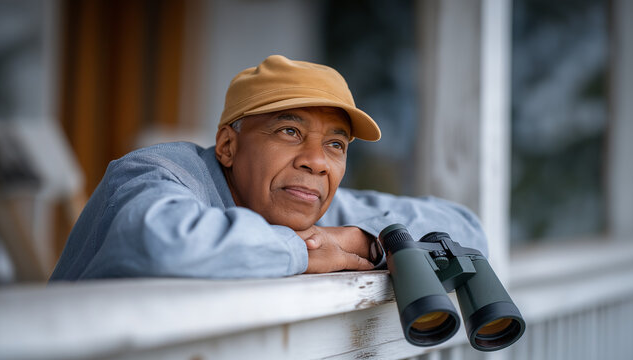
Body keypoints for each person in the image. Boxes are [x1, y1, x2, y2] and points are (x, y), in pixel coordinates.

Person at [50, 55, 488, 280]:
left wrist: (365, 240)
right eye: (289, 132)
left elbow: (469, 232)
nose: (315, 161)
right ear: (227, 145)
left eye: (334, 144)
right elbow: (161, 241)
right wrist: (304, 252)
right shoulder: (158, 170)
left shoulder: (311, 205)